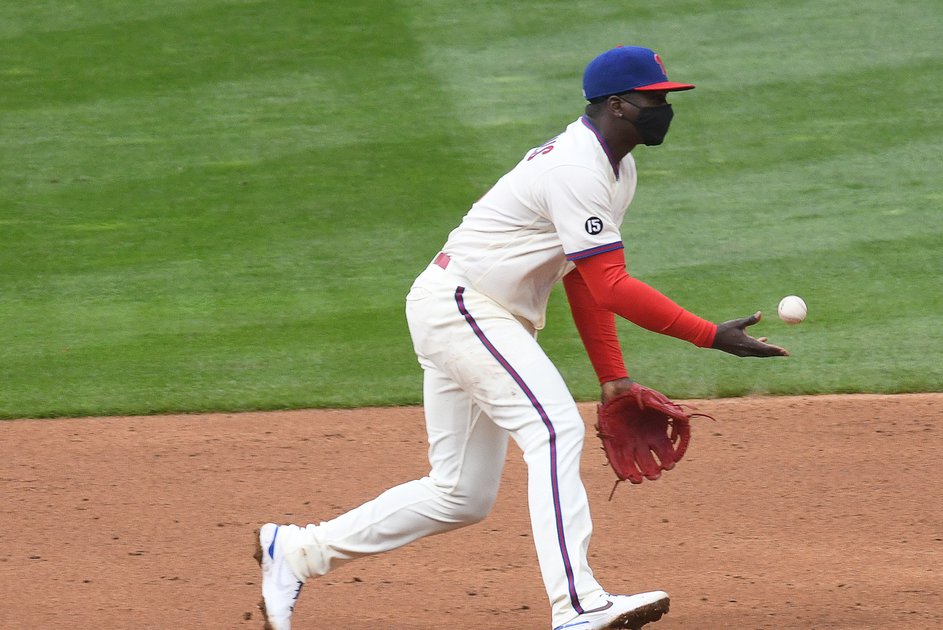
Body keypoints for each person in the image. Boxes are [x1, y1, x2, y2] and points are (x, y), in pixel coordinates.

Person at [255, 45, 789, 630]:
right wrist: (709, 335)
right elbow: (612, 285)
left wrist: (612, 377)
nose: (664, 108)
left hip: (468, 313)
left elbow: (585, 279)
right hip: (464, 308)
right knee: (555, 430)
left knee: (460, 494)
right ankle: (578, 606)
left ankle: (297, 551)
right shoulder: (575, 169)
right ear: (617, 105)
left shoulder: (617, 168)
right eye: (653, 99)